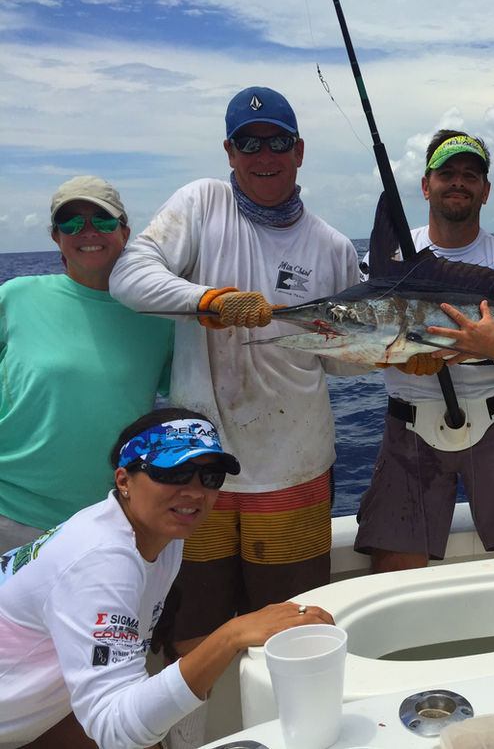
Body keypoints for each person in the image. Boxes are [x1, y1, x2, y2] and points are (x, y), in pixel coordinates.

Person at [108, 87, 365, 748]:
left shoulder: (333, 246)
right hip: (198, 476)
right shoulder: (201, 204)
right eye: (249, 142)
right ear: (229, 151)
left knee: (294, 635)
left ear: (299, 150)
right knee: (191, 633)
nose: (264, 153)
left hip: (294, 469)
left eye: (278, 140)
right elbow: (129, 278)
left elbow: (342, 363)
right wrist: (209, 301)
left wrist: (396, 355)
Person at [0, 408, 335, 749]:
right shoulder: (102, 561)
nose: (195, 491)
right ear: (124, 481)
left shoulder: (159, 534)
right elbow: (115, 730)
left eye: (210, 477)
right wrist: (230, 635)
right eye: (173, 473)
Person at [353, 130, 494, 572]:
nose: (458, 182)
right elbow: (355, 348)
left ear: (485, 191)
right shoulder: (385, 259)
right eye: (446, 173)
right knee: (392, 570)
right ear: (426, 185)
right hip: (408, 427)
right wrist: (389, 356)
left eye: (470, 175)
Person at [0, 176, 173, 552]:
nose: (88, 231)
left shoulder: (160, 318)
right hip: (9, 512)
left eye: (103, 220)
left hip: (110, 518)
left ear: (125, 232)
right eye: (72, 222)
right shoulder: (14, 297)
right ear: (56, 236)